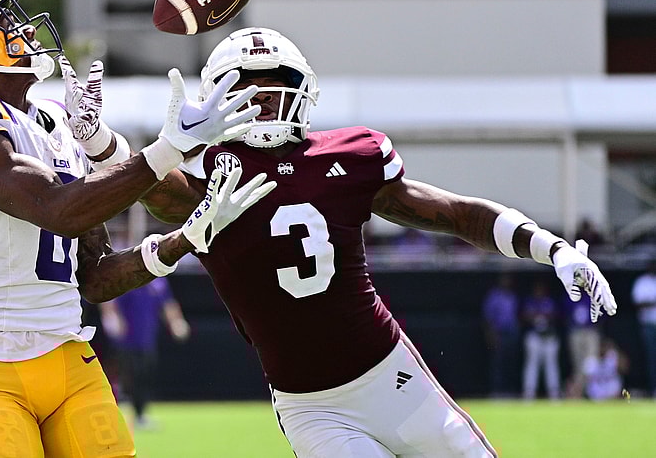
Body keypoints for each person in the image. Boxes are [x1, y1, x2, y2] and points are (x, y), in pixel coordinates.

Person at [78, 27, 618, 457]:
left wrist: (552, 246)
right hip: (311, 407)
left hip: (391, 376)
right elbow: (150, 185)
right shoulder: (210, 171)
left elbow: (454, 214)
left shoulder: (352, 156)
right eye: (251, 88)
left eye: (277, 84)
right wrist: (99, 141)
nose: (266, 101)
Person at [0, 0, 275, 457]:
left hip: (69, 351)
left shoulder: (54, 120)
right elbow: (56, 210)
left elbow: (94, 277)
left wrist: (181, 235)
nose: (21, 29)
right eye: (2, 20)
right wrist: (170, 146)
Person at [99, 277, 189, 430]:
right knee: (127, 375)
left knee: (145, 374)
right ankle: (116, 415)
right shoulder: (126, 274)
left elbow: (168, 303)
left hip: (147, 336)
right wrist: (111, 318)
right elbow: (108, 299)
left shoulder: (158, 281)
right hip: (125, 337)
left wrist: (176, 322)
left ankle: (140, 415)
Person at [521, 279, 561, 400]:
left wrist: (545, 316)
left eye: (541, 289)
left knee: (551, 365)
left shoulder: (549, 301)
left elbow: (557, 316)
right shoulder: (530, 301)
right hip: (534, 335)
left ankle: (554, 393)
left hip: (549, 336)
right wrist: (534, 316)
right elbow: (524, 316)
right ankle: (529, 392)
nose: (539, 291)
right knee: (532, 364)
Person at [482, 273, 520, 398]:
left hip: (512, 333)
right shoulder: (494, 296)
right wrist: (491, 335)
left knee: (511, 362)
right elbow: (488, 318)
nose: (506, 282)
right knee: (498, 362)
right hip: (499, 333)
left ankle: (510, 389)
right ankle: (497, 390)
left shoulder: (513, 296)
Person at [631, 258, 656, 398]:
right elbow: (637, 303)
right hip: (649, 326)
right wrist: (652, 302)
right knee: (652, 358)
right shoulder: (643, 282)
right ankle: (653, 389)